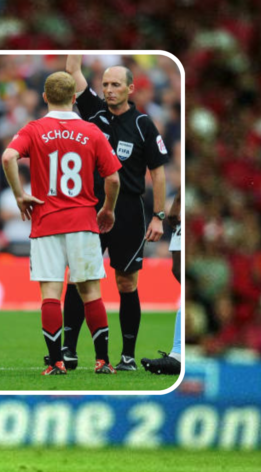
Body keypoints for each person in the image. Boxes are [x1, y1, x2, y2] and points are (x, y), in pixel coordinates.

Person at [2, 71, 122, 375]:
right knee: (91, 292)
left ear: (44, 97)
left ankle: (56, 362)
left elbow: (7, 157)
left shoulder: (34, 129)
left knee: (51, 294)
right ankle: (103, 361)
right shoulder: (93, 132)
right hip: (83, 221)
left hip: (46, 221)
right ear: (73, 98)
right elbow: (114, 179)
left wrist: (20, 196)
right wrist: (107, 209)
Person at [55, 55, 170, 371]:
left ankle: (128, 357)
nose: (109, 90)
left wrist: (159, 216)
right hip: (91, 207)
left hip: (130, 210)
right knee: (80, 279)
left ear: (130, 88)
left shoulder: (142, 125)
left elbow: (158, 173)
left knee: (126, 283)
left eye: (115, 84)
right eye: (105, 84)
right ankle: (68, 351)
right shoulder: (93, 112)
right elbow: (73, 71)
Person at [142, 192, 182, 374]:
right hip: (182, 211)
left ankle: (178, 355)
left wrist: (178, 200)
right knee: (177, 270)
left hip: (185, 210)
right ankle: (179, 353)